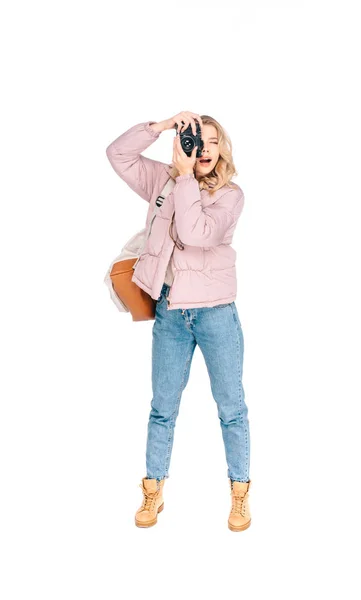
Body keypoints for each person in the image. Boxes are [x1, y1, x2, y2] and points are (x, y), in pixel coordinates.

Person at [106, 111, 251, 531]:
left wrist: (184, 177)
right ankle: (152, 492)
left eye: (210, 141)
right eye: (194, 140)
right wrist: (161, 126)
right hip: (170, 312)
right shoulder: (164, 181)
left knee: (231, 409)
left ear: (222, 148)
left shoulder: (231, 196)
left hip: (216, 313)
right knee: (162, 409)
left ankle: (240, 493)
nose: (202, 150)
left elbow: (195, 234)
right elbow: (117, 154)